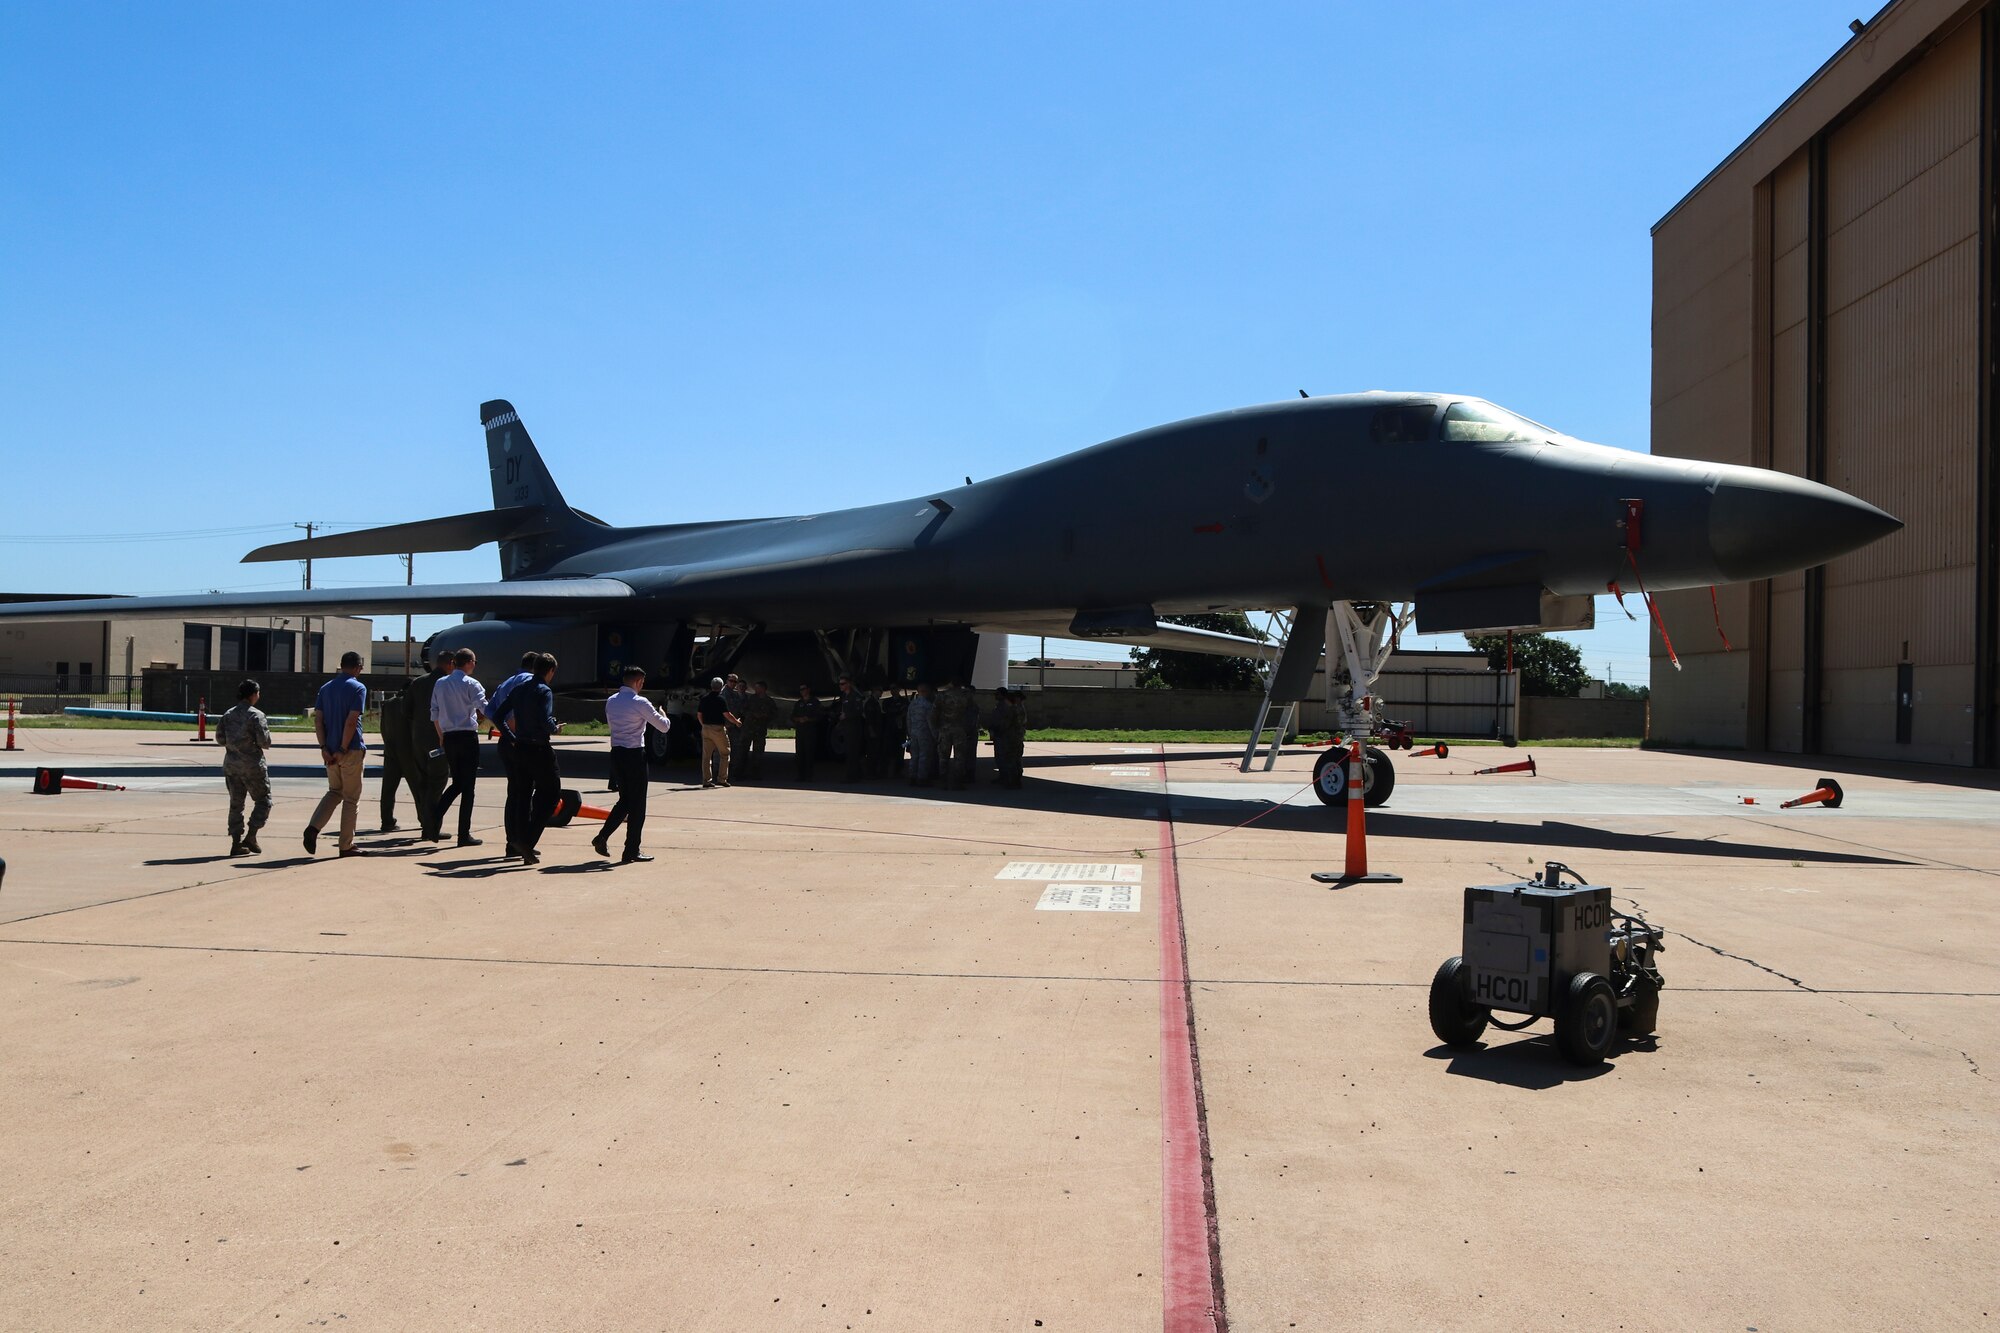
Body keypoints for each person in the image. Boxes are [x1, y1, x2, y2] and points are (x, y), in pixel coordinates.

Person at [490, 653, 561, 864]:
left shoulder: (519, 689)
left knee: (522, 797)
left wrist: (510, 736)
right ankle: (528, 841)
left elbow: (497, 715)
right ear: (550, 671)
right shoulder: (544, 691)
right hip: (539, 748)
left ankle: (518, 840)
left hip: (520, 747)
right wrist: (554, 728)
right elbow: (545, 719)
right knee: (550, 795)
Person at [595, 665, 670, 863]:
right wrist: (664, 714)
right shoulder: (640, 702)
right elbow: (663, 727)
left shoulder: (611, 701)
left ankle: (603, 836)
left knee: (625, 800)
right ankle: (631, 849)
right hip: (635, 754)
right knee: (638, 805)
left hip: (617, 753)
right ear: (638, 682)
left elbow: (612, 726)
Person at [305, 650, 370, 857]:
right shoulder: (358, 688)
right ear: (358, 667)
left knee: (334, 791)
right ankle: (346, 845)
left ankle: (313, 827)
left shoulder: (325, 688)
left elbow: (318, 720)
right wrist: (343, 748)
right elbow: (351, 721)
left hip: (329, 750)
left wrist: (324, 748)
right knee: (351, 798)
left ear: (341, 665)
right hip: (349, 749)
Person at [430, 647, 491, 847]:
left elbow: (435, 713)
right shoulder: (472, 684)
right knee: (468, 788)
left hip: (448, 737)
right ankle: (463, 834)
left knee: (457, 782)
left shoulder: (440, 683)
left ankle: (433, 819)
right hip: (466, 737)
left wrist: (441, 737)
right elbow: (484, 708)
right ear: (470, 662)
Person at [487, 652, 543, 855]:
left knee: (515, 793)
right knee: (526, 794)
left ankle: (512, 843)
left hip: (506, 741)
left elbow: (490, 710)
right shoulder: (529, 682)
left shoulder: (507, 681)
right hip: (521, 742)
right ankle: (523, 841)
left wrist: (505, 731)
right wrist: (514, 729)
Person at [215, 677, 272, 855]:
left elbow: (220, 739)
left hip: (232, 766)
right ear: (253, 694)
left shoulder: (228, 714)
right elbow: (265, 742)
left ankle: (236, 842)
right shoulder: (256, 715)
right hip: (252, 766)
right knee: (264, 800)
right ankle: (252, 835)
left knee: (236, 804)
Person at [405, 653, 448, 839]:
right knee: (437, 784)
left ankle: (426, 825)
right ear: (450, 664)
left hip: (418, 741)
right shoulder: (447, 684)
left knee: (423, 784)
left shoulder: (418, 682)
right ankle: (432, 828)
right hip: (438, 741)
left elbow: (405, 710)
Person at [934, 679, 980, 791]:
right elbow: (972, 713)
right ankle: (957, 783)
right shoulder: (966, 696)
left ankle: (943, 782)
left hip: (945, 729)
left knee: (943, 757)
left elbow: (934, 712)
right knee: (959, 757)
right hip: (960, 729)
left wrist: (936, 728)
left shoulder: (942, 695)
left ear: (950, 684)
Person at [697, 676, 736, 787]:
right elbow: (727, 715)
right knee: (724, 753)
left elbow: (699, 714)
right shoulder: (721, 699)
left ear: (711, 686)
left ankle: (706, 780)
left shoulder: (704, 698)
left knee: (706, 756)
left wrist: (703, 725)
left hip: (706, 728)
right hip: (718, 729)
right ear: (721, 686)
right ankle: (722, 779)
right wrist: (736, 722)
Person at [989, 687, 1027, 789]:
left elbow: (1006, 724)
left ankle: (1012, 781)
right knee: (1017, 759)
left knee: (1010, 759)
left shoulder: (1013, 710)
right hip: (1017, 737)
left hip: (1011, 737)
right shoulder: (1021, 709)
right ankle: (1016, 780)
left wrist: (997, 729)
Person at [835, 676, 869, 782]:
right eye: (840, 684)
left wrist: (846, 716)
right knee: (849, 752)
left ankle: (852, 777)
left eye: (842, 684)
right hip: (847, 728)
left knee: (852, 753)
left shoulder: (855, 696)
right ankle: (857, 774)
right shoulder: (844, 696)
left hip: (854, 728)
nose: (840, 686)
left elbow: (858, 712)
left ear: (848, 684)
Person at [739, 681, 775, 780]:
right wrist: (751, 714)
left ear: (763, 689)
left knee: (758, 753)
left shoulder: (769, 701)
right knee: (743, 751)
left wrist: (765, 716)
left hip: (760, 730)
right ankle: (740, 773)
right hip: (748, 729)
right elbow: (743, 710)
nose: (756, 690)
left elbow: (774, 714)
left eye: (758, 688)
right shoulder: (751, 699)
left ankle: (755, 774)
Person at [904, 682, 937, 787]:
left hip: (913, 733)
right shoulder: (928, 706)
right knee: (924, 756)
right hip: (925, 734)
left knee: (914, 756)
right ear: (926, 692)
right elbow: (931, 722)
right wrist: (935, 735)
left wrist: (909, 732)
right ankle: (922, 778)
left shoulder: (912, 704)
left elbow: (908, 720)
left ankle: (912, 777)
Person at [791, 685, 823, 781]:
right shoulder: (799, 703)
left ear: (808, 690)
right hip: (800, 731)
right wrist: (798, 719)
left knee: (809, 753)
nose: (802, 691)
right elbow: (792, 716)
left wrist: (808, 719)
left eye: (804, 689)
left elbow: (820, 716)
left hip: (810, 730)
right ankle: (800, 775)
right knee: (800, 753)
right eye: (801, 690)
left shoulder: (815, 702)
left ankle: (809, 775)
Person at [722, 673, 748, 777]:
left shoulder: (734, 694)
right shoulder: (723, 693)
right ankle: (722, 774)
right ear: (727, 681)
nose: (733, 683)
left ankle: (733, 773)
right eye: (731, 681)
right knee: (723, 751)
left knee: (736, 750)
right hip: (726, 726)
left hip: (734, 726)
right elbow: (725, 711)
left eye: (735, 682)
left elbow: (739, 709)